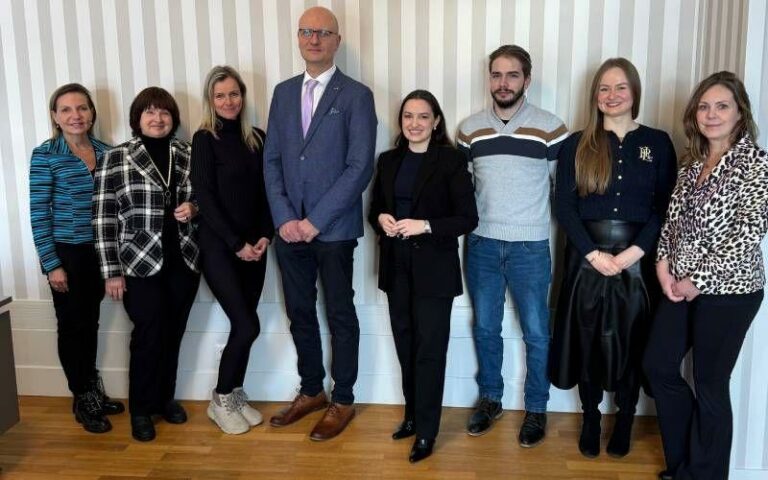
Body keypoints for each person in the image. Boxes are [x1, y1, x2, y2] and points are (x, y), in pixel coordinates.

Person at [643, 71, 768, 480]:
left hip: (731, 291)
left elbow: (748, 232)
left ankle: (704, 474)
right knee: (658, 366)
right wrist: (662, 265)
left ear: (739, 113)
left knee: (711, 385)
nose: (711, 114)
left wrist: (698, 280)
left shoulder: (756, 163)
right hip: (677, 286)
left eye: (722, 106)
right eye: (704, 106)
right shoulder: (691, 162)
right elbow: (672, 222)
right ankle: (684, 466)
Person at [550, 58, 677, 458]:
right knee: (587, 340)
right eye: (604, 88)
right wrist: (593, 254)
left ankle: (624, 419)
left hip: (639, 259)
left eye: (621, 87)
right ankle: (590, 417)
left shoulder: (658, 142)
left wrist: (633, 254)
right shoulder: (577, 143)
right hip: (585, 258)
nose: (612, 95)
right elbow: (565, 206)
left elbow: (665, 206)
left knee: (633, 341)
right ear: (595, 96)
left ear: (634, 92)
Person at [263, 6, 377, 441]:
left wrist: (315, 220)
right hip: (288, 230)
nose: (314, 39)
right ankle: (311, 389)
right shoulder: (282, 93)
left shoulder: (357, 95)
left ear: (337, 41)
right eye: (307, 32)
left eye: (323, 33)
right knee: (299, 311)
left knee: (340, 313)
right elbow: (272, 160)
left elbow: (359, 166)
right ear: (298, 38)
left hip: (333, 230)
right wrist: (285, 218)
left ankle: (343, 398)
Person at [457, 44, 568, 446]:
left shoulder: (551, 128)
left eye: (512, 75)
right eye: (496, 75)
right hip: (482, 245)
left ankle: (536, 407)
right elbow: (464, 191)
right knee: (486, 327)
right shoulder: (469, 130)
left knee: (536, 333)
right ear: (489, 79)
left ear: (527, 80)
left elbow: (561, 191)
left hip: (530, 248)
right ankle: (491, 398)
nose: (503, 83)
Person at [369, 90, 477, 462]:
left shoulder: (451, 160)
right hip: (396, 265)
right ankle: (412, 417)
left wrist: (425, 225)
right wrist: (381, 218)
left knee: (429, 351)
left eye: (423, 116)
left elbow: (467, 218)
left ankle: (427, 432)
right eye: (408, 116)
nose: (414, 123)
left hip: (434, 270)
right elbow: (375, 209)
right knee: (406, 345)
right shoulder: (387, 160)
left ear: (436, 122)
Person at [93, 87, 201, 442]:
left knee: (174, 333)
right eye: (150, 112)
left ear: (173, 118)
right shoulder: (116, 157)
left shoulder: (187, 153)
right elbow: (103, 217)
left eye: (164, 112)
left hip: (184, 260)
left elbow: (205, 196)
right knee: (148, 336)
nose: (158, 119)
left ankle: (164, 399)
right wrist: (111, 271)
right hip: (138, 264)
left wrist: (195, 208)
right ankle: (141, 409)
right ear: (137, 119)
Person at [29, 83, 124, 433]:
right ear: (55, 116)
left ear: (92, 112)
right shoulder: (46, 154)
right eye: (66, 110)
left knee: (91, 323)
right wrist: (51, 264)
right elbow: (39, 213)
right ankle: (83, 397)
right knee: (72, 328)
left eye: (82, 108)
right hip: (67, 253)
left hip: (100, 251)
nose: (75, 116)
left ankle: (92, 389)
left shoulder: (107, 152)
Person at [191, 65, 273, 435]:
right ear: (211, 100)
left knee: (246, 324)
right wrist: (236, 244)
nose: (228, 101)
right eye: (220, 95)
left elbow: (267, 192)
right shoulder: (204, 139)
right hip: (220, 247)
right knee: (246, 324)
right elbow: (205, 197)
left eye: (234, 94)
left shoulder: (257, 138)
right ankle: (221, 398)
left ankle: (235, 394)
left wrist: (265, 237)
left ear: (242, 96)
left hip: (255, 248)